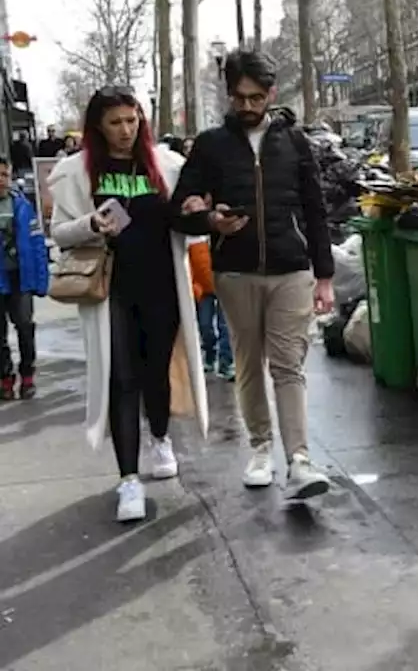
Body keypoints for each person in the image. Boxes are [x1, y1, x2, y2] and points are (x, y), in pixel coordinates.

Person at [172, 51, 335, 500]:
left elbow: (316, 211)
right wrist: (208, 221)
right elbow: (180, 209)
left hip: (291, 270)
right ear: (229, 94)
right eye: (240, 97)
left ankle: (299, 460)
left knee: (288, 365)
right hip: (235, 271)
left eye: (256, 97)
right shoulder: (210, 145)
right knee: (247, 362)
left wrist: (324, 276)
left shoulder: (296, 142)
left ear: (271, 94)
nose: (248, 106)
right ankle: (261, 448)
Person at [47, 86, 209, 523]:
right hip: (111, 291)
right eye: (115, 122)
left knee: (156, 374)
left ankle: (160, 435)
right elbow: (59, 232)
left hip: (161, 287)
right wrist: (91, 224)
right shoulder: (77, 172)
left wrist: (206, 212)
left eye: (132, 120)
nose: (125, 130)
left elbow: (186, 220)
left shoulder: (166, 166)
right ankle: (128, 480)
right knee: (122, 379)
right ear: (98, 125)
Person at [0, 155, 48, 400]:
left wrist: (41, 280)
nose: (1, 181)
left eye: (4, 175)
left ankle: (27, 375)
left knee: (25, 329)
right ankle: (5, 378)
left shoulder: (23, 205)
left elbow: (38, 243)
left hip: (21, 278)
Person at [189, 234, 234, 380]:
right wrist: (195, 286)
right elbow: (188, 265)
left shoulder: (227, 238)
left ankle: (225, 362)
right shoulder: (194, 238)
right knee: (204, 325)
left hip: (224, 287)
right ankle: (210, 353)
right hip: (204, 290)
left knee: (225, 327)